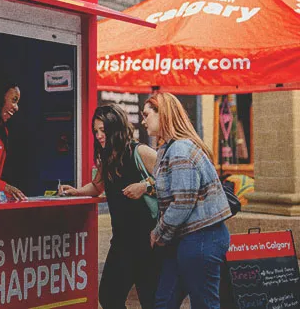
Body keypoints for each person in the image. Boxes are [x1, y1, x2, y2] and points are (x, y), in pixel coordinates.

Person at [59, 104, 159, 309]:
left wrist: (144, 185)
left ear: (116, 128)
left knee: (152, 302)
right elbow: (97, 186)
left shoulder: (140, 151)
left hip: (148, 241)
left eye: (103, 130)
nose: (98, 136)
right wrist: (77, 191)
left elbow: (171, 179)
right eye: (96, 131)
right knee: (109, 297)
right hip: (122, 241)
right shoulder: (107, 157)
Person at [142, 92, 231, 309]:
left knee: (204, 304)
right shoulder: (169, 148)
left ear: (162, 114)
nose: (143, 121)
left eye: (146, 115)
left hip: (200, 239)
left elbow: (182, 202)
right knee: (164, 302)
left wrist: (159, 233)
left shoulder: (180, 150)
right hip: (185, 240)